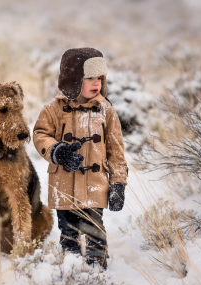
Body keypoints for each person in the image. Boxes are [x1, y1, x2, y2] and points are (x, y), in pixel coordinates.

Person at [33, 47, 128, 268]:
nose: (97, 83)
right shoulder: (53, 109)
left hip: (94, 185)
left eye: (99, 78)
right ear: (73, 79)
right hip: (64, 184)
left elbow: (116, 152)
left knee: (94, 228)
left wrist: (118, 183)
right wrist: (56, 150)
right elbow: (40, 135)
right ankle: (72, 265)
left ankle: (96, 265)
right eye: (89, 78)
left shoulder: (106, 110)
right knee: (68, 230)